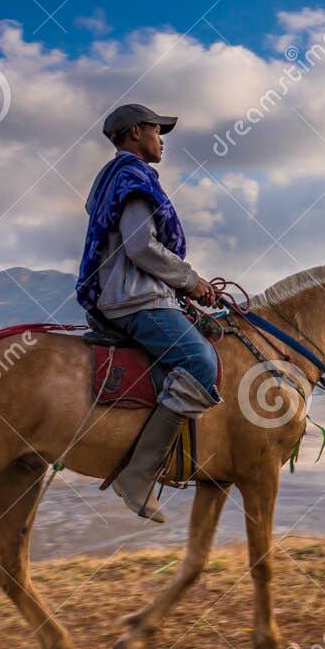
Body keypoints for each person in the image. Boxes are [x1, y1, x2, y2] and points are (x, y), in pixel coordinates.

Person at [75, 103, 222, 520]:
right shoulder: (132, 179)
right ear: (136, 132)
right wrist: (191, 281)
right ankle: (138, 475)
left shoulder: (116, 179)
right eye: (159, 131)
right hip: (136, 299)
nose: (162, 141)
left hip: (134, 294)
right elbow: (141, 247)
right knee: (199, 360)